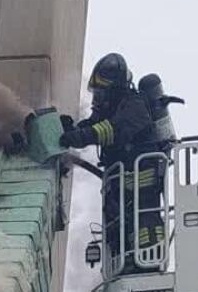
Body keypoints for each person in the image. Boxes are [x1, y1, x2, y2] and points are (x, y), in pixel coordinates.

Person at [61, 53, 169, 268]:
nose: (97, 98)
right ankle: (126, 259)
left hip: (142, 180)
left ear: (114, 89)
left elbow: (115, 130)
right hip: (122, 184)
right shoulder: (110, 109)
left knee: (144, 221)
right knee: (119, 225)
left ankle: (147, 261)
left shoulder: (134, 105)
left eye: (101, 93)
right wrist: (72, 129)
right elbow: (93, 124)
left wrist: (81, 137)